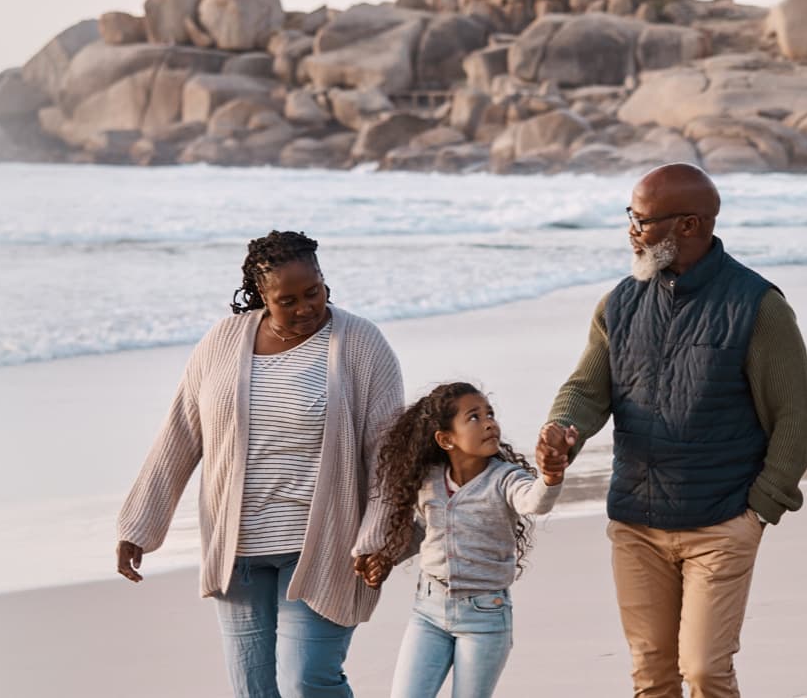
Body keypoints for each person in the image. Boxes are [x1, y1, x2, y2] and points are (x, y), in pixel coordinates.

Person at [534, 162, 807, 698]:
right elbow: (587, 389)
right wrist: (561, 430)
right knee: (651, 675)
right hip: (636, 524)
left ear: (689, 225)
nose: (631, 231)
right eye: (630, 217)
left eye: (642, 220)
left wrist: (760, 509)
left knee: (706, 671)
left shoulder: (758, 307)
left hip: (722, 522)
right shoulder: (619, 302)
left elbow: (795, 420)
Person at [116, 231, 405, 698]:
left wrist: (379, 537)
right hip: (239, 554)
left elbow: (389, 454)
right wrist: (139, 525)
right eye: (286, 300)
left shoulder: (361, 344)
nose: (306, 307)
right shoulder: (223, 341)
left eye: (313, 292)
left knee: (307, 683)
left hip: (323, 546)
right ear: (260, 297)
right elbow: (181, 432)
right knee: (253, 690)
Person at [353, 382, 559, 698]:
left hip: (486, 617)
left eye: (489, 413)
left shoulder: (505, 479)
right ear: (446, 439)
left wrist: (550, 478)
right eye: (474, 417)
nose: (489, 422)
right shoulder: (430, 480)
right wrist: (386, 558)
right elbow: (425, 530)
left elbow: (535, 502)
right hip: (428, 611)